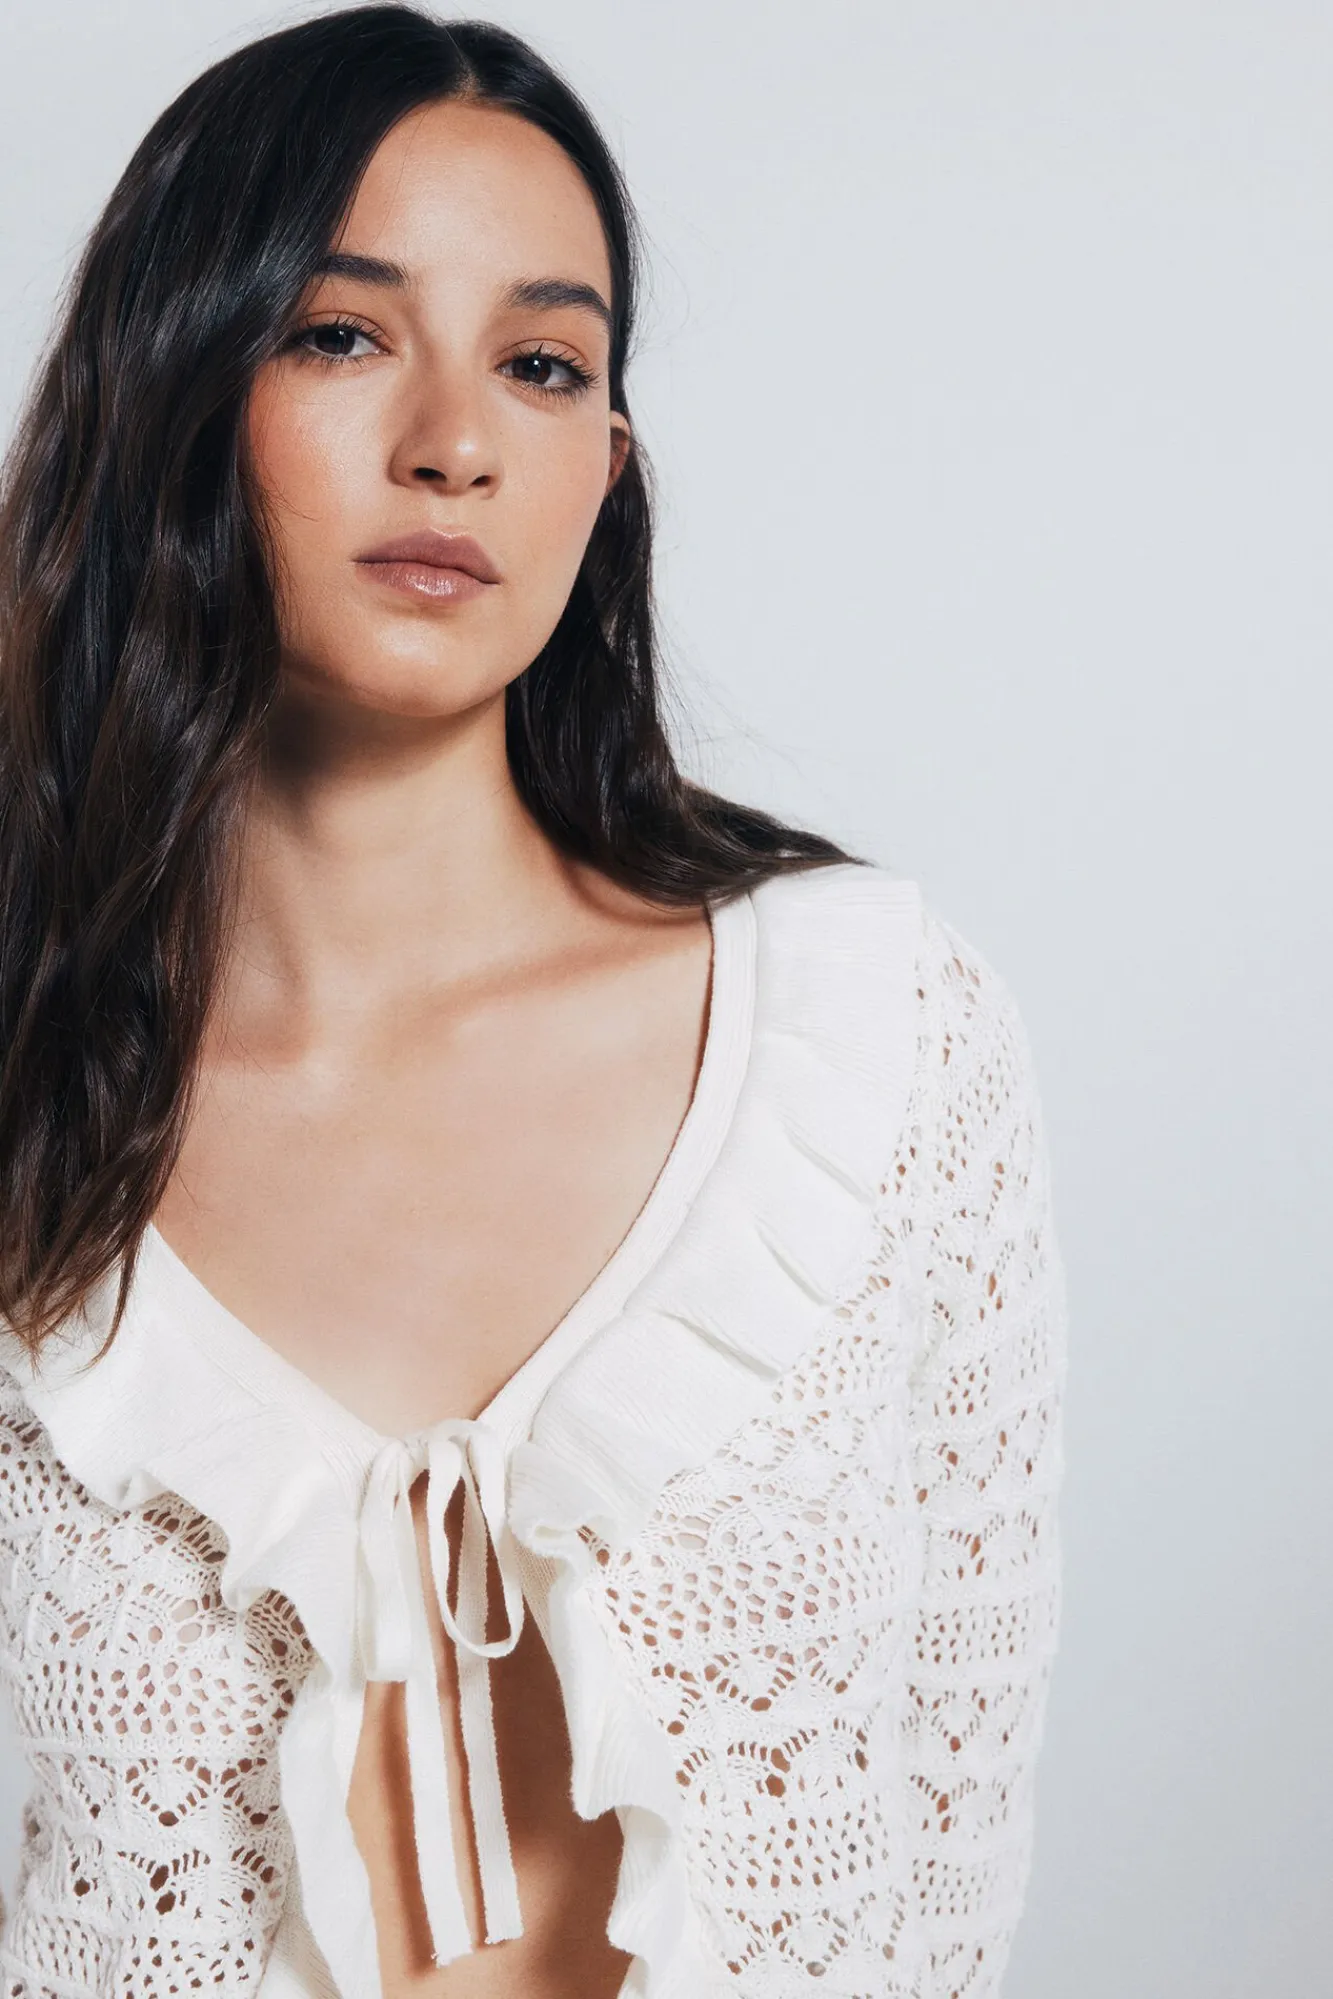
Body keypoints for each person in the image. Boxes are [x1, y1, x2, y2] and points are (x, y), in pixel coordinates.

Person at [0, 8, 1068, 1996]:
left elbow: (949, 1859)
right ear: (171, 391)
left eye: (543, 363)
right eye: (341, 335)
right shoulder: (34, 1081)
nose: (455, 442)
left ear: (609, 469)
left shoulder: (879, 1047)